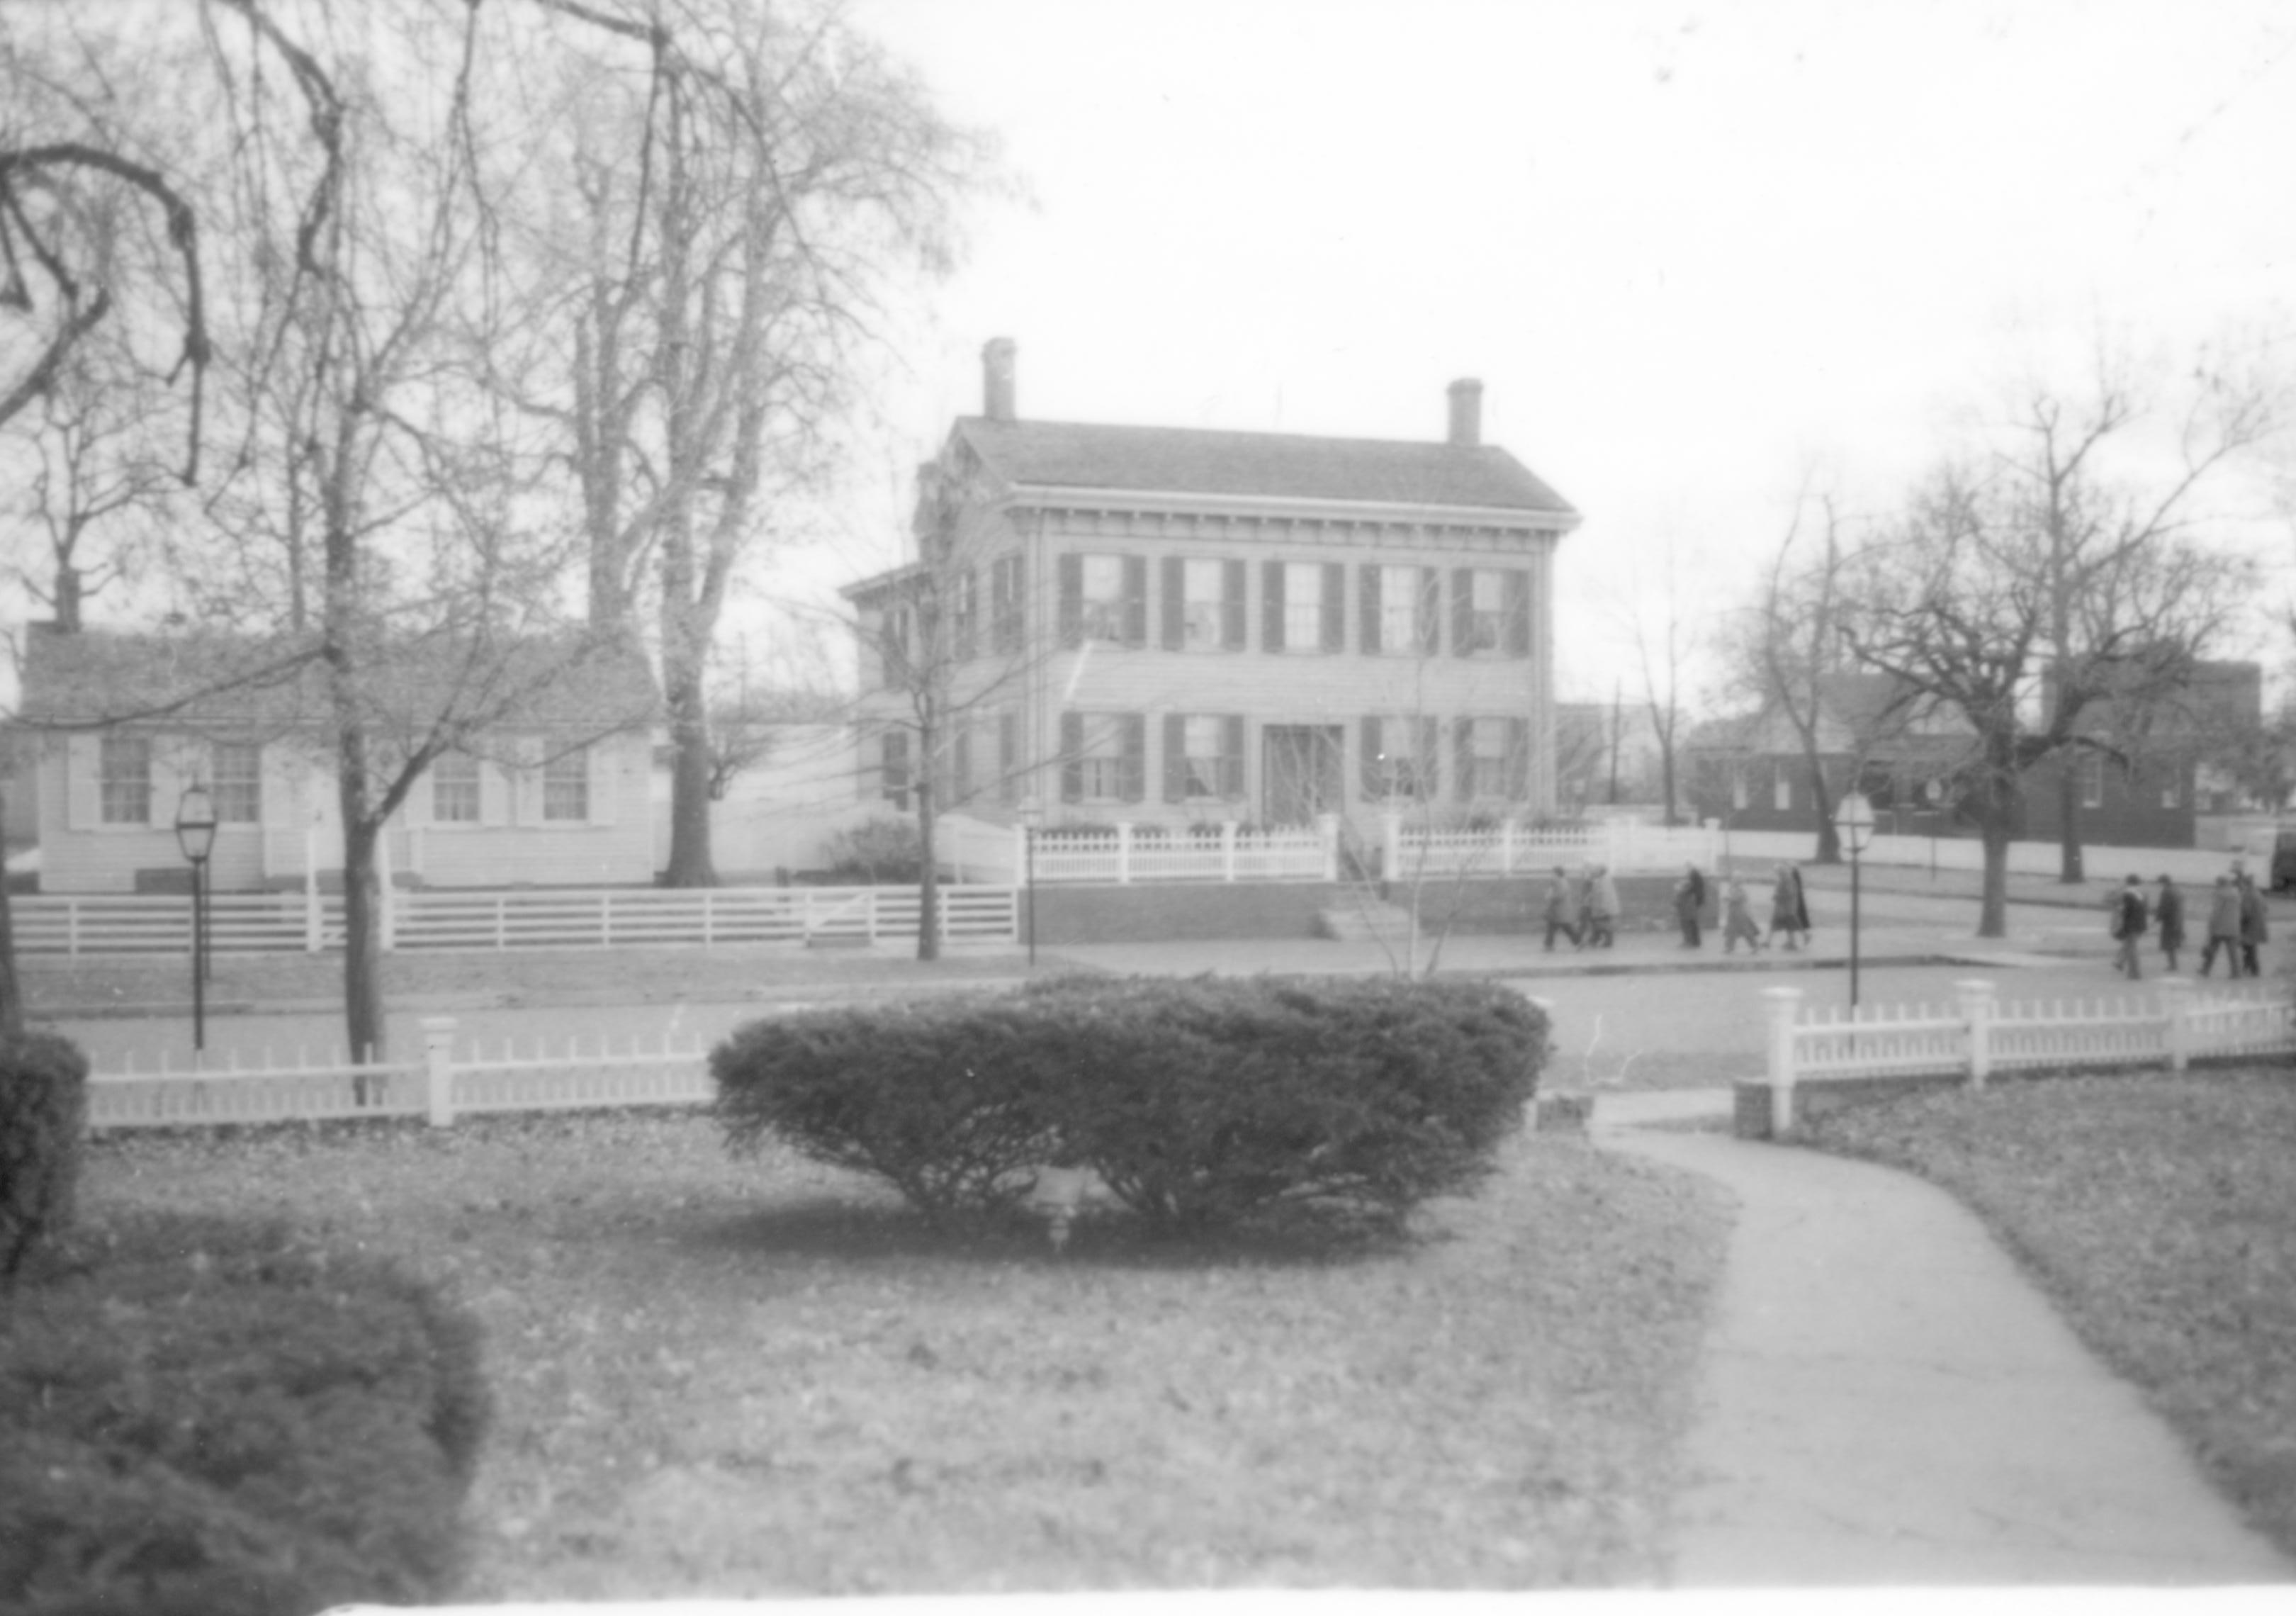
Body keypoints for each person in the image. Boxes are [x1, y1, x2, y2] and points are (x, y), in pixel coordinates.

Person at [2200, 874, 2241, 977]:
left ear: (2220, 884)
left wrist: (2211, 925)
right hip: (2233, 927)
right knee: (2233, 952)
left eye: (2217, 883)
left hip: (2219, 928)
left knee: (2212, 949)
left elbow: (2216, 912)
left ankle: (2205, 970)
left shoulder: (2220, 894)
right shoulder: (2235, 893)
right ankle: (2236, 972)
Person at [2109, 874, 2147, 980]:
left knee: (2132, 950)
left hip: (2131, 925)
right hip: (2140, 924)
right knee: (2131, 948)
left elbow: (2127, 911)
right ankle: (2129, 970)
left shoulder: (2128, 894)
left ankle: (2135, 973)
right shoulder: (2141, 894)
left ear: (2128, 882)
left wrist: (2120, 910)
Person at [1769, 862, 1811, 951]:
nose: (1777, 874)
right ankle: (1792, 942)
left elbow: (1789, 893)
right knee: (1789, 925)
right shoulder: (1783, 879)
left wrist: (1778, 895)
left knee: (1792, 923)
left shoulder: (1788, 880)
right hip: (1784, 907)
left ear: (1782, 871)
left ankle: (1803, 937)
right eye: (1776, 872)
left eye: (1778, 872)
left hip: (1788, 908)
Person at [1721, 873, 1765, 954]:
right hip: (1733, 912)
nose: (1733, 880)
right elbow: (1734, 898)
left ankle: (1755, 946)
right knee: (1731, 930)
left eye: (1735, 879)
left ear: (1738, 881)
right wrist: (1728, 898)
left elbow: (1738, 898)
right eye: (1733, 879)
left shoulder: (1740, 889)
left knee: (1746, 931)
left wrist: (1728, 898)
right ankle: (1729, 948)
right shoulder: (1732, 888)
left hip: (1740, 913)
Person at [1541, 865, 1581, 952]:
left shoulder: (1560, 882)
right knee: (1553, 928)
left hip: (1560, 911)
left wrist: (1549, 897)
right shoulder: (1560, 881)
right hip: (1558, 911)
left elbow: (1559, 895)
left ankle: (1578, 942)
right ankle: (1549, 945)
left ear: (1557, 874)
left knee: (1566, 928)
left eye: (1553, 873)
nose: (1551, 875)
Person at [2238, 871, 2269, 978]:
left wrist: (2241, 923)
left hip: (2250, 926)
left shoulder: (2247, 895)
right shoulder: (2258, 893)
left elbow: (2246, 912)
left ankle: (2254, 970)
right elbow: (2266, 908)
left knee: (2249, 948)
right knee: (2250, 947)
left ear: (2245, 884)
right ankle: (2247, 967)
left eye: (2242, 883)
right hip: (2258, 924)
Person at [2154, 874, 2185, 975]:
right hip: (2178, 919)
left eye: (2160, 883)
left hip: (2170, 921)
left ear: (2163, 882)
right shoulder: (2177, 889)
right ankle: (2173, 964)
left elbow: (2164, 907)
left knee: (2169, 943)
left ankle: (2173, 965)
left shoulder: (2166, 891)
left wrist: (2158, 917)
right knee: (2173, 943)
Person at [1587, 864, 1619, 948]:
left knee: (1601, 924)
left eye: (1597, 870)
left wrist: (1603, 907)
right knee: (1601, 923)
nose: (1595, 872)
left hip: (1603, 907)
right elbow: (1597, 892)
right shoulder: (1602, 880)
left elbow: (1605, 894)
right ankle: (1597, 939)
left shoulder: (1604, 881)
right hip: (1601, 907)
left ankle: (1600, 940)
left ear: (1601, 872)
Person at [1674, 863, 1706, 948]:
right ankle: (1694, 942)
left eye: (1686, 868)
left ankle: (1691, 942)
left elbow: (1687, 890)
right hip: (1690, 906)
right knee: (1692, 924)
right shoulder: (1694, 877)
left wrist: (1680, 889)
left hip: (1689, 907)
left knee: (1689, 924)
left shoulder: (1692, 877)